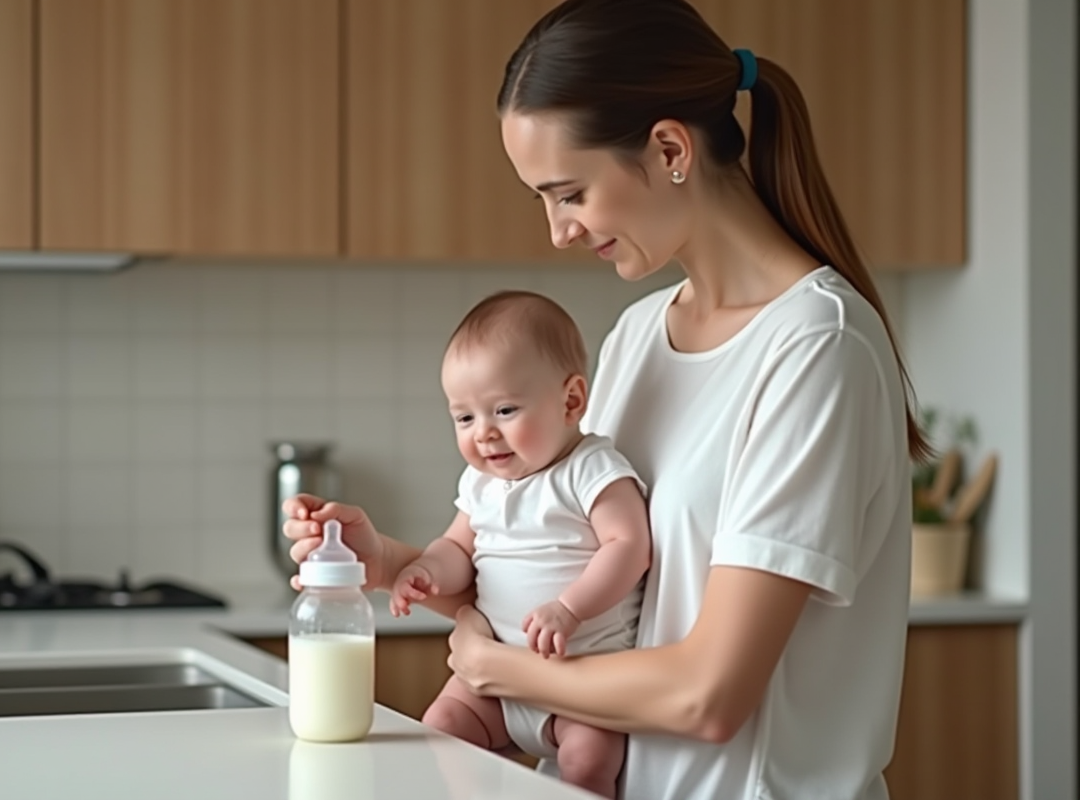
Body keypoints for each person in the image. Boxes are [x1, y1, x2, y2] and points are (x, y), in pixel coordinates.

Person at [284, 0, 925, 797]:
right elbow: (555, 568)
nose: (558, 230)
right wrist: (389, 563)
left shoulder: (815, 348)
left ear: (667, 148)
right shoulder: (636, 336)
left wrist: (498, 669)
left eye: (569, 192)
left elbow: (709, 695)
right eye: (543, 201)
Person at [387, 290, 652, 798]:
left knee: (587, 761)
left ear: (570, 400)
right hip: (494, 683)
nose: (483, 434)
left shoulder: (591, 469)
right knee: (439, 727)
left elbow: (629, 546)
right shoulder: (479, 483)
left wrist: (569, 609)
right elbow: (457, 549)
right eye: (464, 418)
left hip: (583, 682)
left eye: (504, 410)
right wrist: (424, 571)